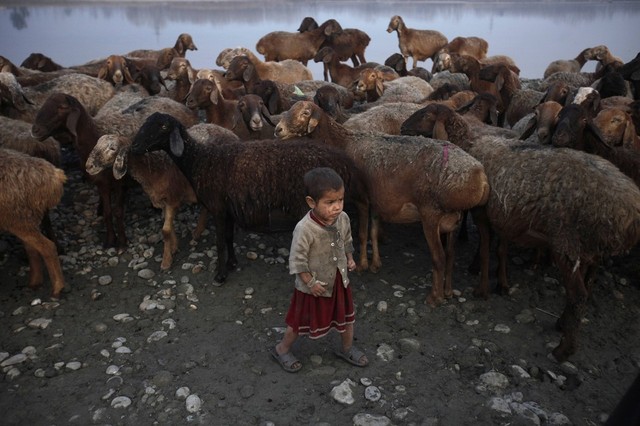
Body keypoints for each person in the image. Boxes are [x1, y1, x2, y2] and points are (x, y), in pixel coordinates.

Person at [270, 167, 369, 372]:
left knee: (347, 317)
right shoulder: (305, 229)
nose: (337, 207)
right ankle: (281, 348)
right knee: (298, 322)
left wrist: (350, 258)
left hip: (338, 282)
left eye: (340, 200)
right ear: (311, 202)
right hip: (313, 287)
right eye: (330, 202)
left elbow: (347, 241)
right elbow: (297, 260)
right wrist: (310, 282)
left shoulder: (343, 219)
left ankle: (347, 348)